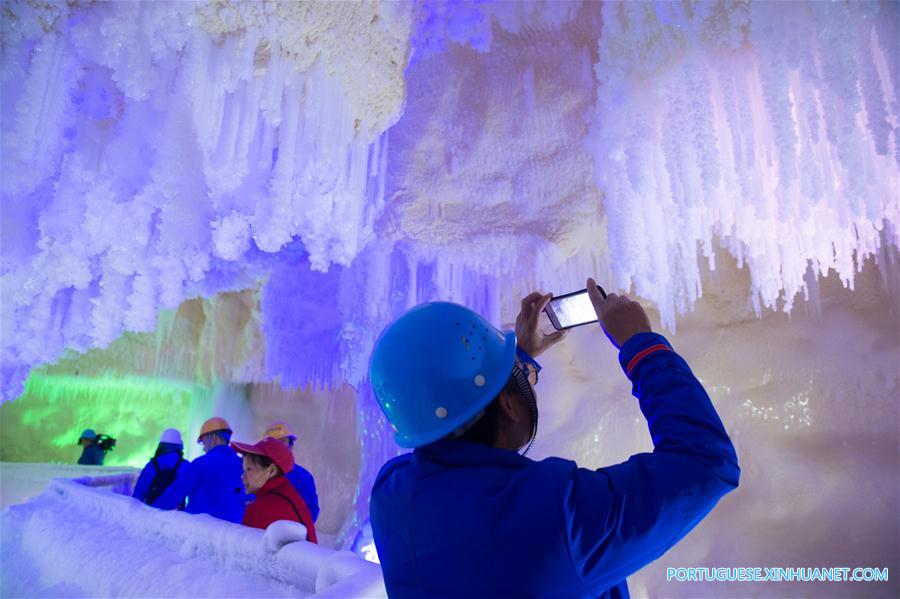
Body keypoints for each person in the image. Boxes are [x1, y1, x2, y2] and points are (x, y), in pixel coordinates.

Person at [368, 279, 741, 598]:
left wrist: (515, 363)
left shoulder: (391, 496)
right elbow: (705, 463)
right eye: (517, 384)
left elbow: (459, 422)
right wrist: (642, 346)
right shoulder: (561, 518)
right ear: (508, 405)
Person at [152, 417, 245, 523]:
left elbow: (174, 495)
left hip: (201, 531)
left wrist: (151, 512)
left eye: (204, 442)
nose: (204, 448)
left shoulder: (201, 463)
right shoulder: (243, 464)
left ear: (213, 438)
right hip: (233, 532)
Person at [232, 436, 318, 543]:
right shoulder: (289, 495)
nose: (242, 476)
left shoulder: (261, 509)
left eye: (249, 469)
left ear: (271, 470)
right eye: (244, 470)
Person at [264, 421, 320, 522]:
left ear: (291, 445)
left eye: (282, 442)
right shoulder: (256, 474)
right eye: (273, 442)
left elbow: (311, 513)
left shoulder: (303, 478)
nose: (278, 446)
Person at [132, 428, 188, 506]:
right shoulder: (185, 466)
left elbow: (139, 492)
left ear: (161, 445)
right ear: (180, 446)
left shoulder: (152, 465)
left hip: (152, 511)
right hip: (176, 514)